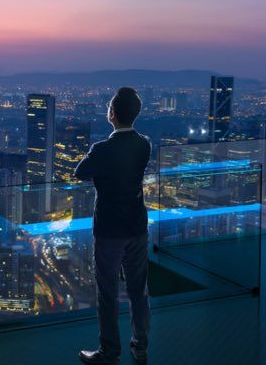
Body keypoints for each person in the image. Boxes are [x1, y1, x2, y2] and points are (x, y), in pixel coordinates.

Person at [75, 87, 152, 364]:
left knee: (107, 293)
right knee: (138, 290)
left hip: (109, 231)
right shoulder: (144, 144)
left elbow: (80, 171)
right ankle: (140, 345)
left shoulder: (102, 149)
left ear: (112, 114)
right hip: (137, 227)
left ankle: (109, 351)